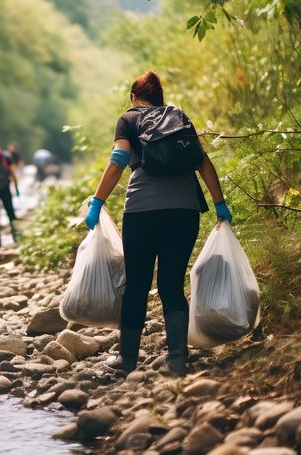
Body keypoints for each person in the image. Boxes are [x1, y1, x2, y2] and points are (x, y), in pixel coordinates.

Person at [84, 71, 232, 376]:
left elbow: (119, 160)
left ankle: (127, 361)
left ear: (133, 97)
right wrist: (220, 203)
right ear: (159, 97)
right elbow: (202, 160)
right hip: (184, 210)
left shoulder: (129, 119)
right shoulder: (178, 117)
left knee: (137, 285)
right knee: (171, 286)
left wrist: (98, 201)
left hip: (142, 211)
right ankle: (177, 359)